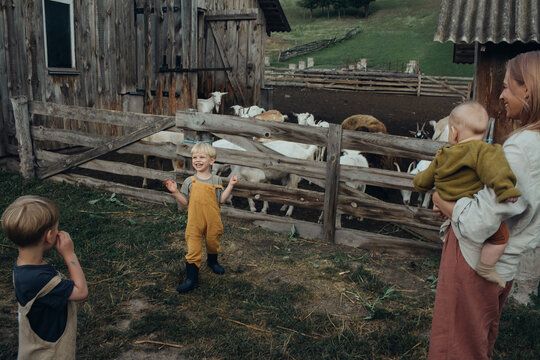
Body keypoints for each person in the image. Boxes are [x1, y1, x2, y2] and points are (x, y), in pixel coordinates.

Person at [428, 50, 540, 359]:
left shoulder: (521, 148)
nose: (501, 95)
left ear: (527, 89)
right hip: (503, 261)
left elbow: (479, 222)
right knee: (479, 340)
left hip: (473, 260)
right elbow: (511, 207)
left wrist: (443, 202)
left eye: (507, 87)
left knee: (457, 346)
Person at [413, 101, 521, 288]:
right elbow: (496, 172)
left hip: (447, 204)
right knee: (501, 237)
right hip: (467, 205)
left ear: (453, 133)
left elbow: (424, 180)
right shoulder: (485, 150)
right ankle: (486, 267)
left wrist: (419, 183)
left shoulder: (442, 154)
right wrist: (506, 190)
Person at [1, 195, 88, 360]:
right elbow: (81, 291)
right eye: (56, 227)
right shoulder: (40, 279)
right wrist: (69, 254)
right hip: (49, 353)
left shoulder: (22, 266)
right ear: (49, 236)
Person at [165, 142, 238, 293]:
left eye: (202, 157)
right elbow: (185, 202)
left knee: (212, 242)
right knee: (193, 248)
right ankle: (191, 279)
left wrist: (230, 185)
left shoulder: (216, 180)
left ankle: (212, 262)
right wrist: (175, 192)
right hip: (195, 221)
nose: (197, 160)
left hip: (213, 221)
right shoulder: (189, 181)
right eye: (194, 157)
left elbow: (221, 199)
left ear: (211, 160)